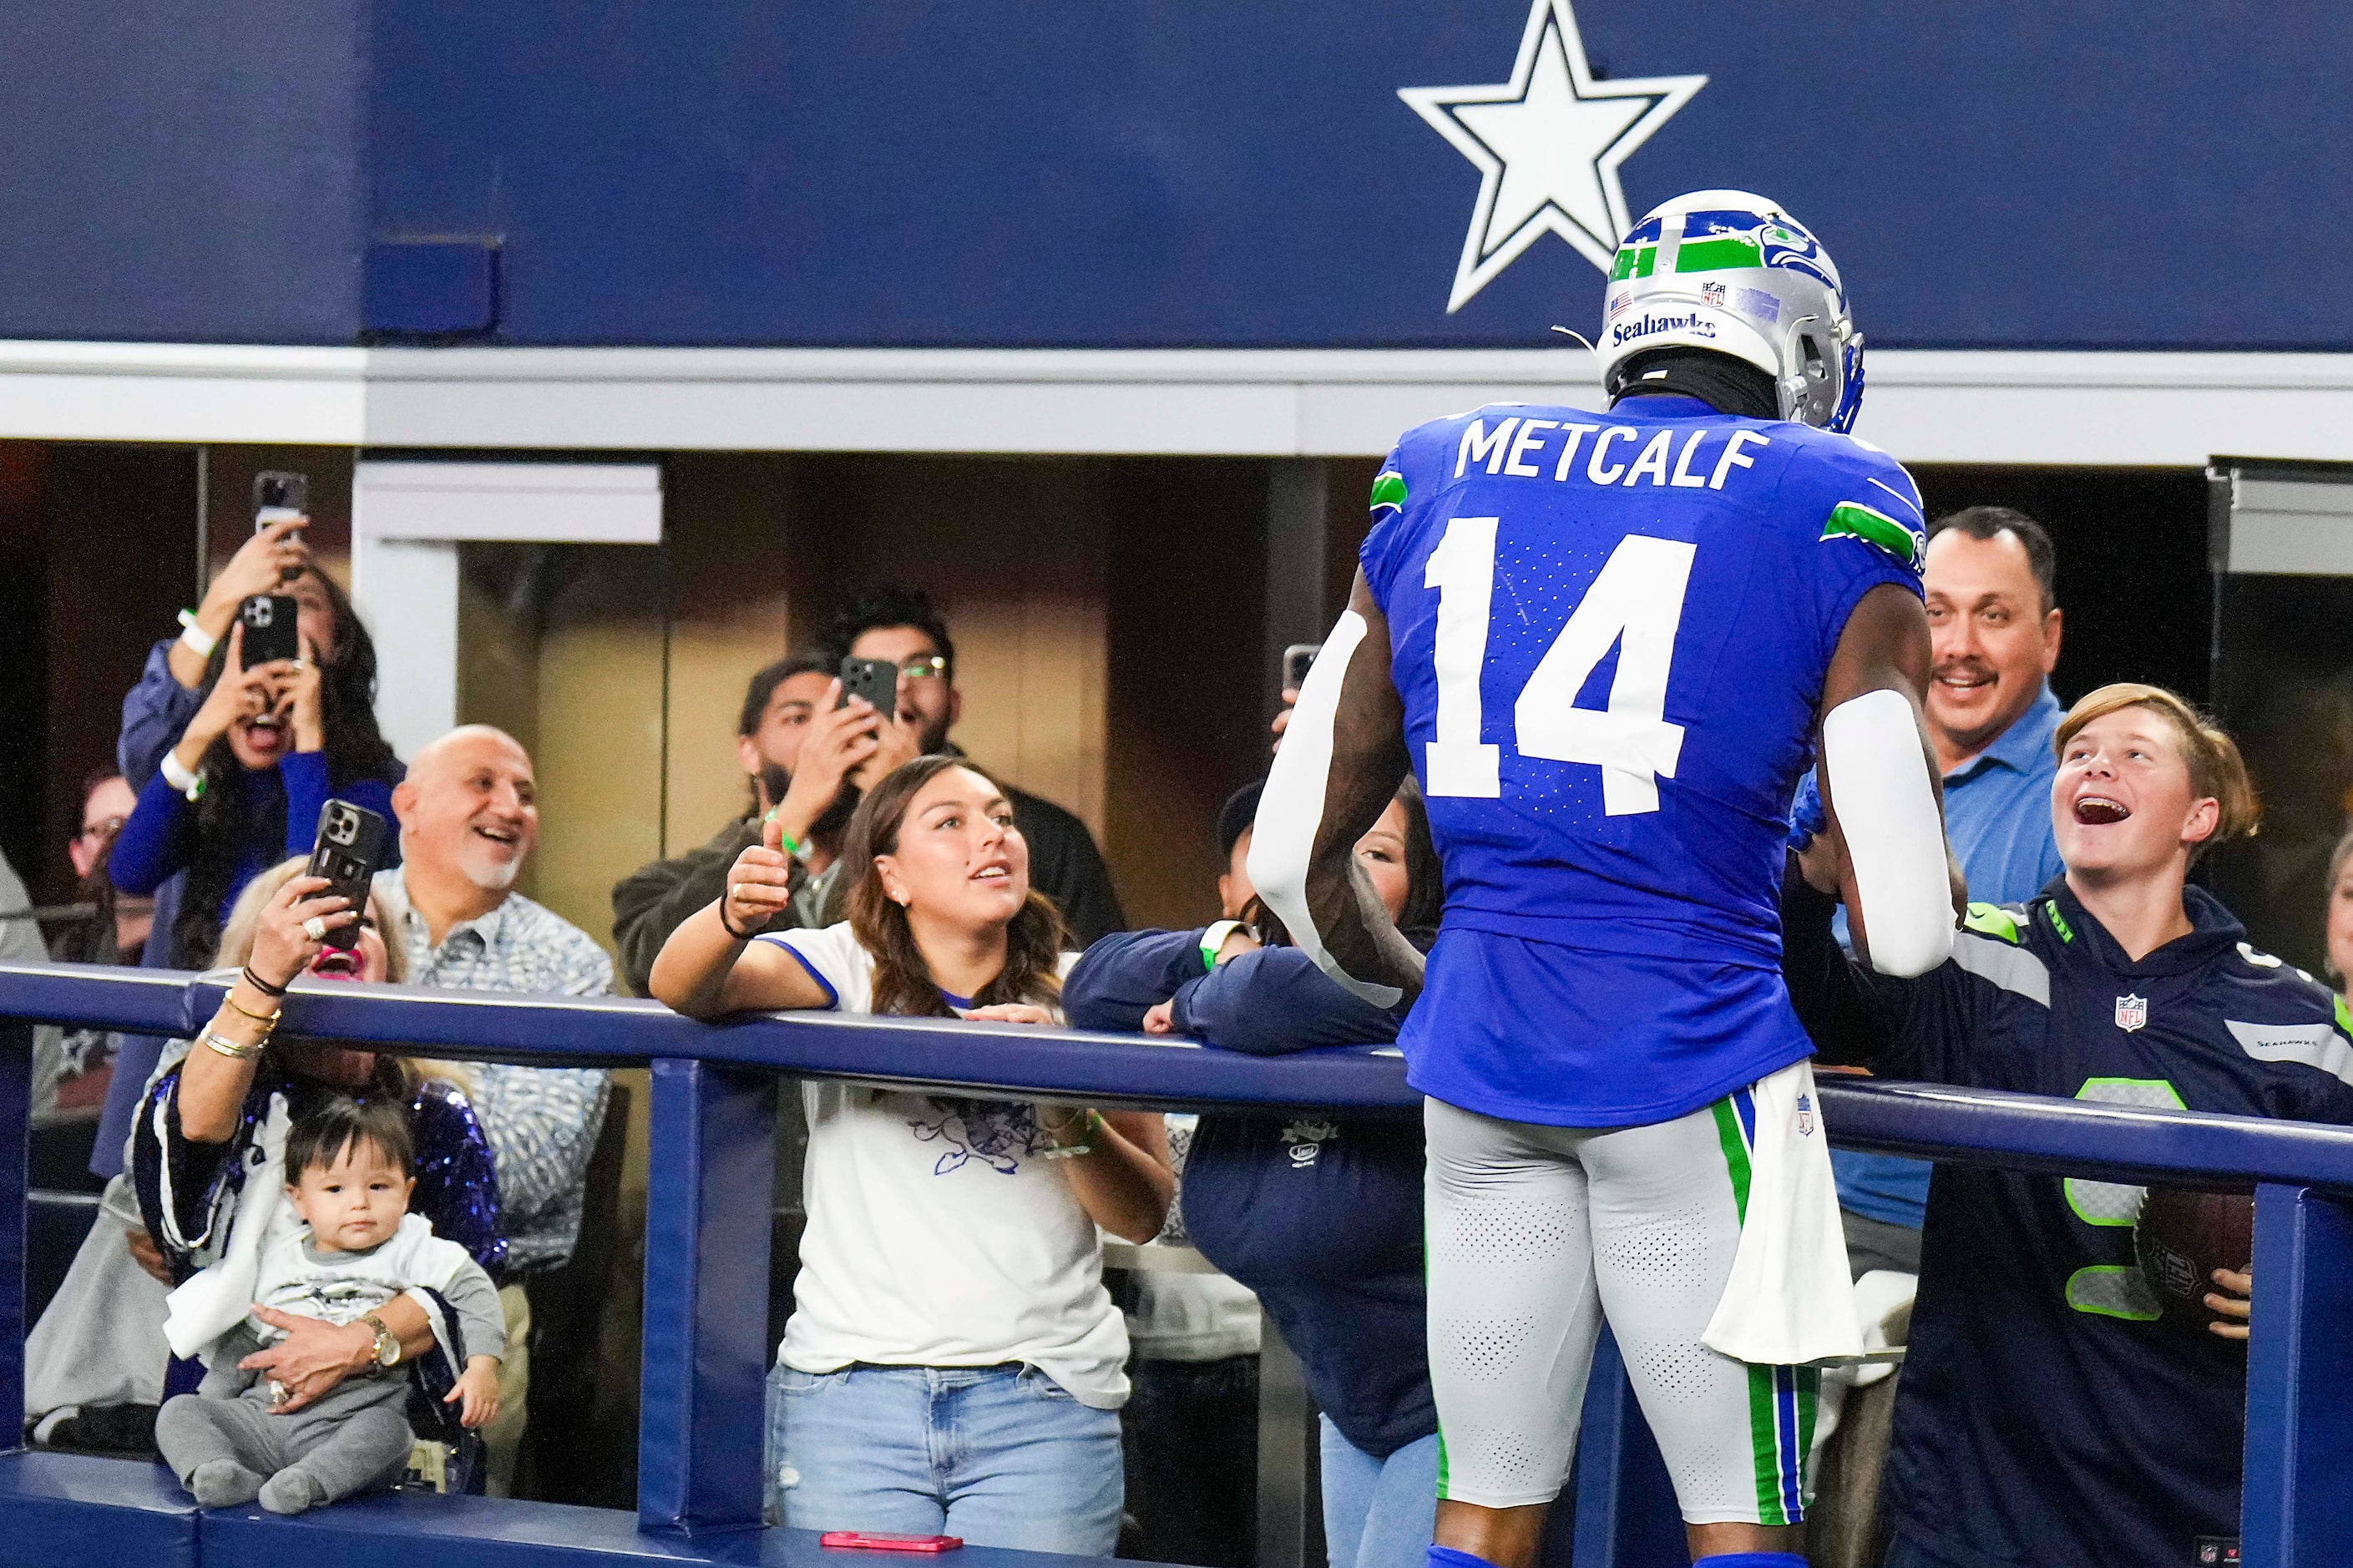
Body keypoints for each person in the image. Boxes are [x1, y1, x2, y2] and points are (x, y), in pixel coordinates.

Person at [1252, 190, 1960, 1568]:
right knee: (1741, 1520)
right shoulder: (1833, 494)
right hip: (1690, 1062)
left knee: (1486, 1500)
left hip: (1474, 1064)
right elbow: (1913, 930)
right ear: (1797, 343)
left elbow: (1288, 857)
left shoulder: (1439, 462)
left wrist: (1422, 982)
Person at [1781, 684, 2338, 1568]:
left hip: (2192, 1490)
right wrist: (1805, 895)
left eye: (2132, 754)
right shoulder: (1972, 958)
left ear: (2199, 815)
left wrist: (2312, 1286)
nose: (2093, 765)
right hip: (1984, 1498)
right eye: (2076, 754)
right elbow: (1821, 1012)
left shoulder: (2303, 1025)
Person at [651, 755, 1173, 1555]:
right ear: (890, 876)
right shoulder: (844, 965)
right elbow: (682, 985)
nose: (990, 838)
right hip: (853, 1398)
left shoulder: (1087, 994)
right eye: (952, 823)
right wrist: (731, 914)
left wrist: (1066, 1102)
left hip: (1043, 1400)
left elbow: (1143, 1216)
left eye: (1001, 818)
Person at [1066, 778, 1445, 1568]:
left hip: (1460, 1409)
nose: (1341, 873)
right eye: (1323, 850)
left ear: (1425, 882)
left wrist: (1209, 992)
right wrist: (1216, 948)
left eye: (1375, 854)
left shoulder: (1428, 972)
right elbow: (1093, 984)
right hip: (1355, 1408)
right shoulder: (1252, 969)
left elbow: (1263, 1000)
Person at [25, 857, 502, 1454]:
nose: (341, 933)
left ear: (392, 968)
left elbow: (470, 1279)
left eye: (366, 924)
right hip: (228, 1414)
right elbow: (189, 1142)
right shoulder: (224, 1095)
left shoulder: (435, 1112)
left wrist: (355, 1342)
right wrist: (262, 982)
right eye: (307, 920)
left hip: (397, 1432)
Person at [94, 542, 403, 1185]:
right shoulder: (212, 777)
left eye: (304, 604)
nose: (279, 617)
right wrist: (206, 726)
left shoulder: (373, 784)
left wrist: (308, 742)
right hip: (172, 1069)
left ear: (338, 643)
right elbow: (130, 871)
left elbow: (307, 893)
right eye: (262, 606)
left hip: (297, 1103)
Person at [371, 724, 615, 1495]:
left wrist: (338, 1177)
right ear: (407, 805)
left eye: (526, 793)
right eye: (483, 783)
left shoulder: (570, 963)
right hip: (287, 1284)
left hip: (471, 1301)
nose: (510, 805)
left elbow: (531, 1166)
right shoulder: (327, 912)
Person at [1829, 505, 2069, 1272]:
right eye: (1936, 614)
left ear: (2050, 637)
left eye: (1993, 615)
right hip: (1796, 1194)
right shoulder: (1828, 762)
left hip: (1977, 1233)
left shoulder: (2090, 797)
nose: (1959, 647)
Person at [154, 1095, 505, 1515]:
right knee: (180, 1412)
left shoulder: (411, 1246)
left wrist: (482, 1365)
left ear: (407, 1192)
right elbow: (250, 1339)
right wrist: (213, 1400)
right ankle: (218, 1472)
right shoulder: (279, 1256)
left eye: (378, 1186)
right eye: (335, 1189)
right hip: (263, 1416)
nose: (359, 1203)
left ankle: (309, 1483)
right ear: (299, 1200)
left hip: (350, 1420)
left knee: (390, 1434)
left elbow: (475, 1288)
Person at [826, 585, 1126, 944]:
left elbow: (1102, 969)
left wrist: (904, 786)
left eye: (922, 668)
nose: (903, 685)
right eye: (877, 674)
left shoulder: (1045, 833)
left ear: (954, 704)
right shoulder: (817, 816)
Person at [612, 650, 917, 995]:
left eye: (838, 716)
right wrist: (795, 812)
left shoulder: (899, 869)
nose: (824, 736)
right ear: (750, 752)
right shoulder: (658, 884)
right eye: (799, 719)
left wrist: (905, 798)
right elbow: (654, 975)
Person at [31, 771, 151, 1185]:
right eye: (111, 828)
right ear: (79, 855)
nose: (127, 844)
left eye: (146, 825)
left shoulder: (206, 952)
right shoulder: (51, 959)